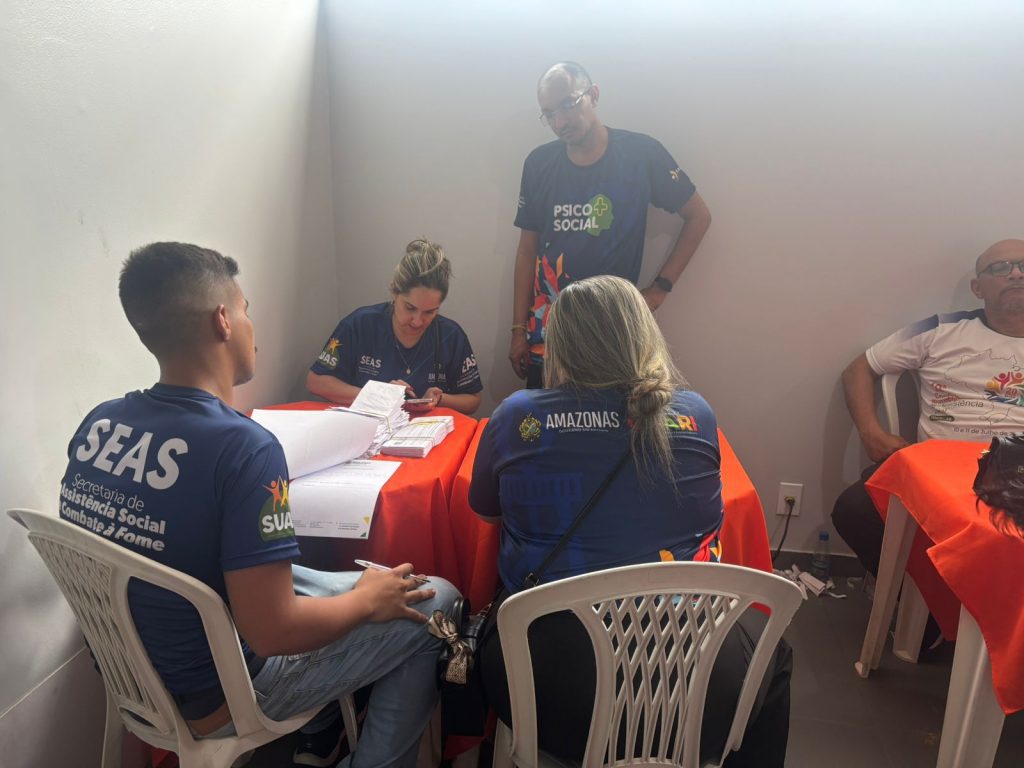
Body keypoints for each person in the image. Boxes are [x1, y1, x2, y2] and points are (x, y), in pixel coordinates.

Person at [59, 242, 459, 768]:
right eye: (245, 309)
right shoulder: (244, 448)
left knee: (350, 580)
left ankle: (325, 734)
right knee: (436, 601)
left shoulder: (99, 423)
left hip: (134, 674)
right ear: (223, 320)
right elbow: (274, 632)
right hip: (226, 691)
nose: (252, 325)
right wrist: (365, 604)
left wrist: (362, 593)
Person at [471, 275, 792, 767]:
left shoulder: (517, 416)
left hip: (551, 694)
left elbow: (486, 512)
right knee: (777, 652)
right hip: (699, 689)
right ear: (644, 335)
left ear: (560, 345)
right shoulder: (696, 414)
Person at [833, 238, 1024, 646]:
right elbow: (859, 369)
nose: (1015, 274)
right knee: (854, 508)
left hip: (1018, 472)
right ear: (978, 288)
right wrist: (871, 432)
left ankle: (1001, 634)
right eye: (1000, 268)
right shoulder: (939, 328)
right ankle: (927, 610)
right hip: (940, 469)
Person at [509, 61, 712, 388]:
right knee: (547, 420)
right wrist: (518, 329)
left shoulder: (641, 154)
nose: (560, 122)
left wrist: (658, 291)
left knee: (614, 419)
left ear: (593, 94)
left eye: (568, 104)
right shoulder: (538, 164)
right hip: (550, 332)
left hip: (614, 332)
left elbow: (699, 216)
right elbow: (526, 251)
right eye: (549, 114)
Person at [307, 239, 482, 414]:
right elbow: (316, 381)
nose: (417, 321)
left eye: (430, 312)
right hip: (369, 425)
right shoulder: (360, 324)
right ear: (394, 292)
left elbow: (473, 400)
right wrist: (378, 395)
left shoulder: (451, 336)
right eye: (410, 308)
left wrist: (440, 399)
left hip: (427, 427)